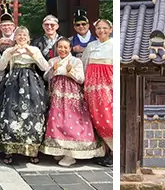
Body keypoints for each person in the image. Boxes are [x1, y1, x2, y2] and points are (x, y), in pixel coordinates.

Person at [0, 26, 50, 165]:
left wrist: (32, 54)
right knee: (10, 113)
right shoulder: (9, 50)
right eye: (19, 35)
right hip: (12, 84)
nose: (21, 37)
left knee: (32, 114)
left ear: (28, 38)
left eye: (24, 35)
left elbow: (45, 67)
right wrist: (9, 54)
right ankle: (9, 149)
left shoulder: (34, 49)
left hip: (31, 83)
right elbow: (0, 67)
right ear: (15, 38)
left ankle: (32, 150)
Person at [42, 38, 104, 167]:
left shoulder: (76, 61)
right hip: (56, 96)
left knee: (71, 122)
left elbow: (81, 79)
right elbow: (46, 78)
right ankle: (59, 149)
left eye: (65, 47)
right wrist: (53, 70)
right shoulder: (53, 61)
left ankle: (71, 154)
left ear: (70, 49)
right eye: (60, 47)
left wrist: (70, 72)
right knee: (56, 121)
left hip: (72, 96)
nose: (62, 50)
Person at [82, 19, 114, 167]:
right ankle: (104, 151)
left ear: (111, 29)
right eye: (99, 28)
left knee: (107, 119)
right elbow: (84, 65)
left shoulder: (114, 45)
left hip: (107, 88)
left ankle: (114, 152)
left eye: (105, 28)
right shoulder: (91, 46)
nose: (102, 31)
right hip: (91, 88)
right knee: (95, 118)